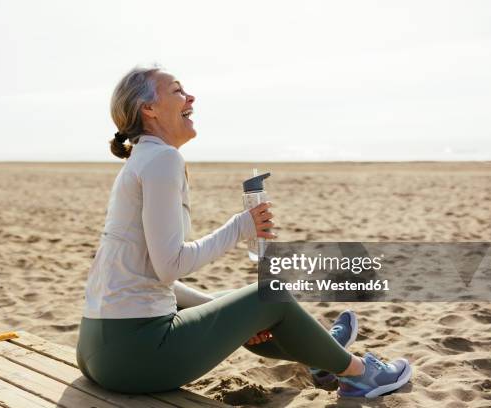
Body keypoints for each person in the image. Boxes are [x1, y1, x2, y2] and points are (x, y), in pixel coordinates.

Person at [76, 65, 412, 399]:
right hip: (135, 358)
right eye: (177, 90)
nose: (190, 96)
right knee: (271, 295)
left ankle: (320, 356)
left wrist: (239, 320)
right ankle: (360, 374)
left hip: (97, 349)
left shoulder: (140, 160)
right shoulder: (163, 160)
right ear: (148, 109)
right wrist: (241, 226)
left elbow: (148, 272)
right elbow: (170, 266)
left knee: (239, 302)